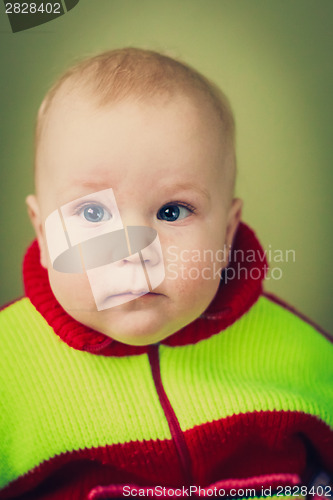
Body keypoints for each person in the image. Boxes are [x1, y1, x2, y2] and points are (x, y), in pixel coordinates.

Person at [0, 48, 332, 500]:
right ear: (42, 233)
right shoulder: (8, 365)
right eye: (94, 213)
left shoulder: (299, 351)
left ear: (228, 231)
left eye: (173, 210)